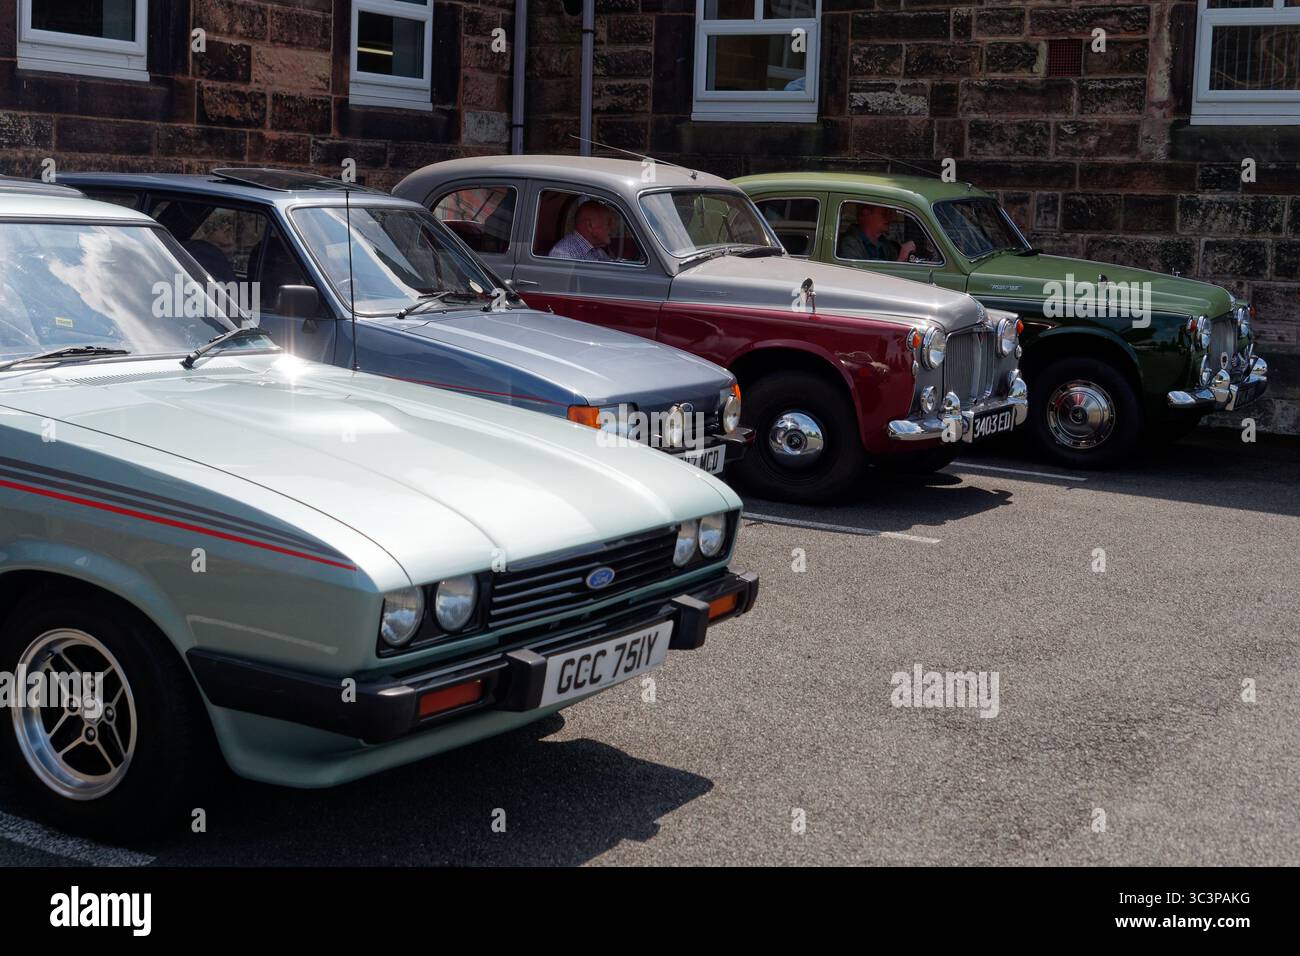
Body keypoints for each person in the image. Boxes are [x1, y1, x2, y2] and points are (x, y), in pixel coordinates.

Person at [839, 204, 915, 263]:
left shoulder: (886, 245)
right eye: (884, 213)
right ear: (866, 212)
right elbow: (857, 278)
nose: (890, 217)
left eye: (890, 213)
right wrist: (901, 261)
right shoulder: (849, 244)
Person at [549, 200, 617, 261]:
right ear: (590, 226)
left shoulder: (598, 251)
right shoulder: (564, 254)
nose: (613, 227)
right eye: (608, 223)